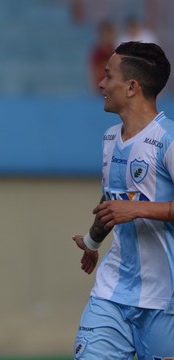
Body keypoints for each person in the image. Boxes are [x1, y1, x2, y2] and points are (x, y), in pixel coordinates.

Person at [72, 41, 173, 359]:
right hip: (111, 293)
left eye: (108, 75)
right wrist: (92, 240)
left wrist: (138, 209)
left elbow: (128, 206)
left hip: (164, 300)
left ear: (131, 87)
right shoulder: (109, 138)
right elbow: (113, 200)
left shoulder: (168, 140)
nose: (100, 84)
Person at [88, 20, 116, 93]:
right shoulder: (97, 53)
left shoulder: (116, 52)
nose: (108, 37)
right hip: (100, 90)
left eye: (110, 34)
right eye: (106, 35)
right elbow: (92, 71)